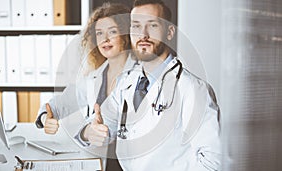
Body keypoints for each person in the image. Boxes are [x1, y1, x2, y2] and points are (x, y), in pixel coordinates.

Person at [80, 0, 221, 170]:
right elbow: (100, 124)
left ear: (169, 32)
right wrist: (89, 132)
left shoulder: (192, 89)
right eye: (136, 26)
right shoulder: (127, 83)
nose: (143, 35)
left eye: (152, 25)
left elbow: (214, 162)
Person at [34, 3, 133, 171]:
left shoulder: (141, 76)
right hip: (98, 162)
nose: (105, 39)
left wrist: (87, 133)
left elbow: (111, 126)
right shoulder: (94, 77)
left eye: (112, 32)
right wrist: (45, 117)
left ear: (126, 35)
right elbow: (58, 104)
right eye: (99, 33)